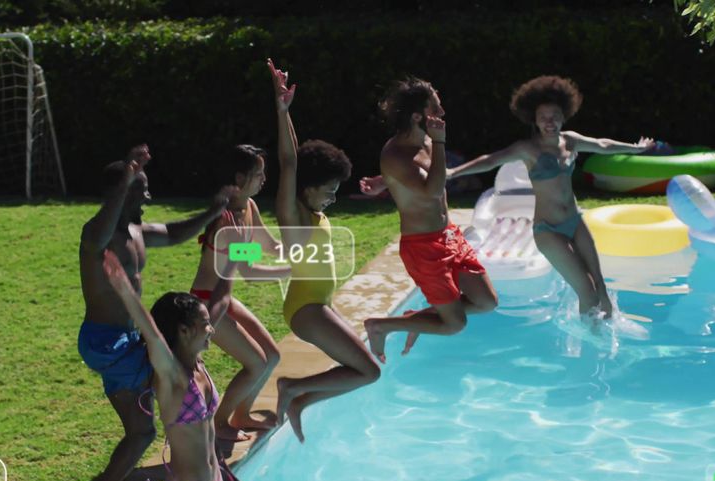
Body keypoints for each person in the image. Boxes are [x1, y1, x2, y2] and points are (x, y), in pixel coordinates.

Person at [74, 150, 263, 481]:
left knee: (143, 431)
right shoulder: (98, 234)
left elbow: (176, 233)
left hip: (130, 338)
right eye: (140, 189)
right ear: (120, 192)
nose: (148, 196)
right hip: (111, 344)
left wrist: (213, 212)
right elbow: (240, 263)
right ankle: (213, 479)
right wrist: (126, 178)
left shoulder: (138, 232)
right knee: (183, 381)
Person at [101, 247, 264, 481]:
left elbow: (220, 299)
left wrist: (231, 259)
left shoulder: (197, 361)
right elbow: (151, 333)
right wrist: (123, 288)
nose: (212, 329)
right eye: (205, 324)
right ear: (184, 330)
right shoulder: (171, 375)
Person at [444, 75, 655, 318]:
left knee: (601, 287)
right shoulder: (528, 149)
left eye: (554, 115)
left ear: (564, 116)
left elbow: (602, 145)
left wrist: (635, 148)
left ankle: (606, 329)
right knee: (587, 292)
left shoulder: (571, 141)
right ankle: (592, 337)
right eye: (543, 117)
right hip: (548, 230)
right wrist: (454, 172)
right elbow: (490, 160)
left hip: (575, 221)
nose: (549, 121)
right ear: (534, 120)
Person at [265, 59, 381, 443]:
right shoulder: (293, 213)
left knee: (363, 368)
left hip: (318, 305)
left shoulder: (312, 212)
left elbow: (297, 162)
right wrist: (282, 110)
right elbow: (289, 161)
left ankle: (299, 400)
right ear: (308, 186)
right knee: (368, 371)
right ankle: (292, 388)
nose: (332, 198)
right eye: (329, 190)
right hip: (306, 309)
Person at [360, 78, 500, 363]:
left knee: (487, 302)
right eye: (435, 108)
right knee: (455, 324)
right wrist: (439, 141)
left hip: (449, 235)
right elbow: (432, 190)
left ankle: (417, 319)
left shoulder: (423, 140)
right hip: (423, 248)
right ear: (417, 116)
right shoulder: (396, 153)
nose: (442, 112)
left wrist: (383, 181)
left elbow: (420, 174)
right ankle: (380, 326)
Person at [189, 145, 291, 441]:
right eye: (258, 174)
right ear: (239, 177)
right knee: (256, 363)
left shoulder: (249, 207)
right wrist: (289, 271)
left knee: (271, 355)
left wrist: (302, 250)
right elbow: (249, 270)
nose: (264, 179)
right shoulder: (226, 222)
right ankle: (220, 423)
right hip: (207, 304)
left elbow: (269, 245)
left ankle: (242, 414)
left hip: (224, 297)